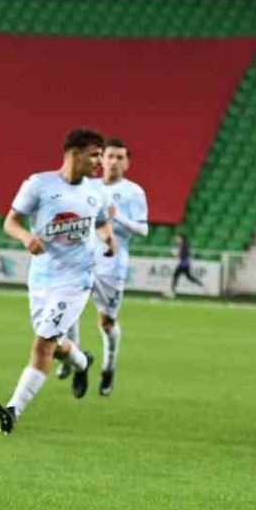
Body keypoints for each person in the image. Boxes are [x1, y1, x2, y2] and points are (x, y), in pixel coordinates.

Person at [0, 128, 115, 434]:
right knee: (55, 344)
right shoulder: (39, 184)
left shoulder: (96, 192)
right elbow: (10, 222)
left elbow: (102, 224)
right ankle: (82, 362)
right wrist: (26, 237)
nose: (99, 162)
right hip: (42, 277)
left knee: (43, 344)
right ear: (74, 153)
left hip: (76, 279)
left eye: (101, 155)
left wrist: (108, 239)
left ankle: (13, 410)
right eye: (94, 155)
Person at [91, 138, 147, 396]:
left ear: (127, 163)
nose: (114, 161)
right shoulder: (88, 187)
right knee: (65, 308)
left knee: (106, 323)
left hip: (112, 265)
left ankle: (108, 366)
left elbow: (143, 229)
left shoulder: (133, 192)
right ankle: (75, 359)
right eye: (110, 156)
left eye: (119, 157)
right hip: (82, 260)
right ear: (101, 160)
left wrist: (118, 217)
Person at [167, 232, 201, 297]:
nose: (177, 239)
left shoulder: (184, 246)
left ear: (181, 239)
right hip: (184, 264)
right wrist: (177, 254)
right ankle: (200, 285)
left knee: (176, 275)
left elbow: (184, 255)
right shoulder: (182, 245)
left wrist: (175, 254)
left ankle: (172, 292)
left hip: (184, 264)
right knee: (188, 277)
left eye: (178, 238)